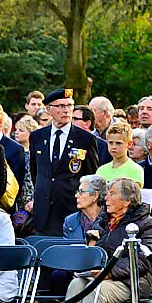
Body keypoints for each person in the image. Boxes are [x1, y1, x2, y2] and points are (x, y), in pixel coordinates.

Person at [27, 88, 100, 236]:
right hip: (44, 212)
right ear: (49, 109)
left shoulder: (85, 139)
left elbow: (91, 176)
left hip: (71, 210)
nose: (66, 110)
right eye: (60, 106)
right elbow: (36, 172)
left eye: (69, 105)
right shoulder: (37, 137)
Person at [96, 121, 145, 187]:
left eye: (118, 143)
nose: (114, 147)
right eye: (110, 143)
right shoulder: (101, 170)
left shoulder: (135, 170)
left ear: (129, 144)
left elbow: (133, 195)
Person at [13, 115, 39, 215]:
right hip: (17, 198)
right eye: (16, 130)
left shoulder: (36, 154)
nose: (17, 132)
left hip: (31, 199)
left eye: (21, 130)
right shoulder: (15, 153)